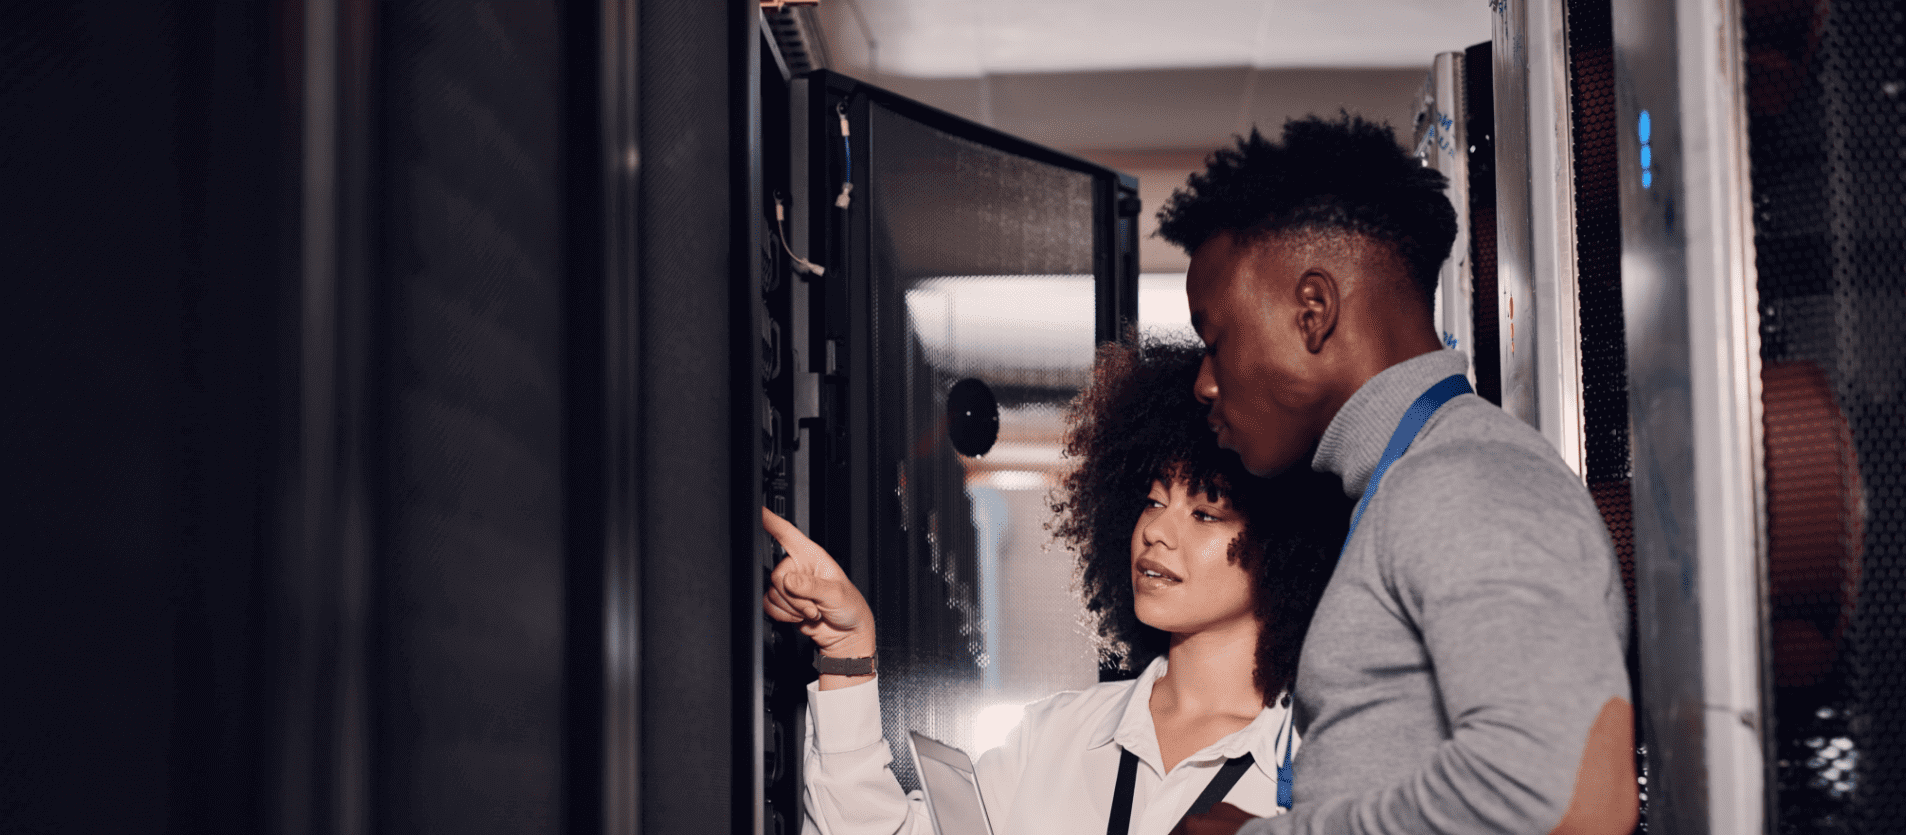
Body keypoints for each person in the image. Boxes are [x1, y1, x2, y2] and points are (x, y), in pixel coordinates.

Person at [1157, 115, 1639, 835]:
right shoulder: (1410, 484)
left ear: (1312, 311)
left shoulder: (1460, 481)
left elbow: (1566, 799)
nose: (1203, 383)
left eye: (1215, 339)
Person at [761, 339, 1354, 835]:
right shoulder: (1057, 737)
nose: (1156, 533)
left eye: (1204, 513)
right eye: (1151, 501)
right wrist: (847, 657)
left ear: (1284, 546)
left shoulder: (1323, 761)